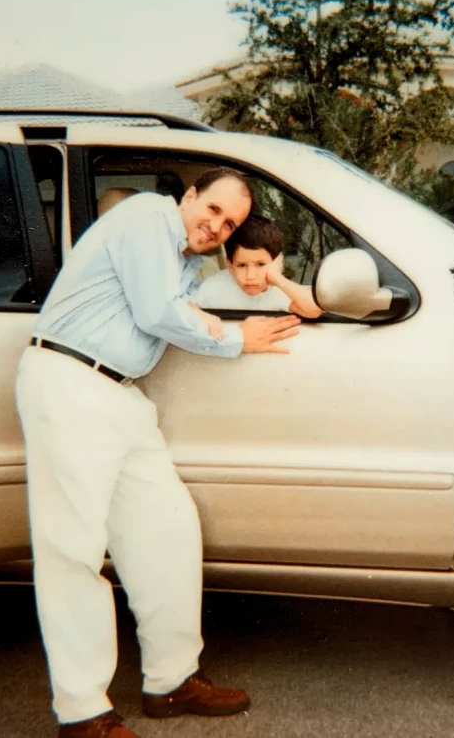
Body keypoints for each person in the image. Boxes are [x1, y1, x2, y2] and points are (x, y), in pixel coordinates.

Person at [15, 168, 301, 738]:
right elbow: (157, 315)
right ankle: (83, 712)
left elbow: (188, 310)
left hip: (120, 392)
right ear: (189, 196)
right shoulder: (146, 215)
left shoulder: (188, 265)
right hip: (70, 380)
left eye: (231, 224)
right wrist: (235, 339)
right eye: (213, 209)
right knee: (71, 549)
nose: (216, 226)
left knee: (168, 527)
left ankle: (171, 681)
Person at [192, 214, 323, 319]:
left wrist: (278, 279)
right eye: (241, 265)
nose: (250, 276)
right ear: (230, 265)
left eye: (260, 265)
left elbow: (314, 310)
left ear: (274, 263)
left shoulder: (276, 291)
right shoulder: (213, 288)